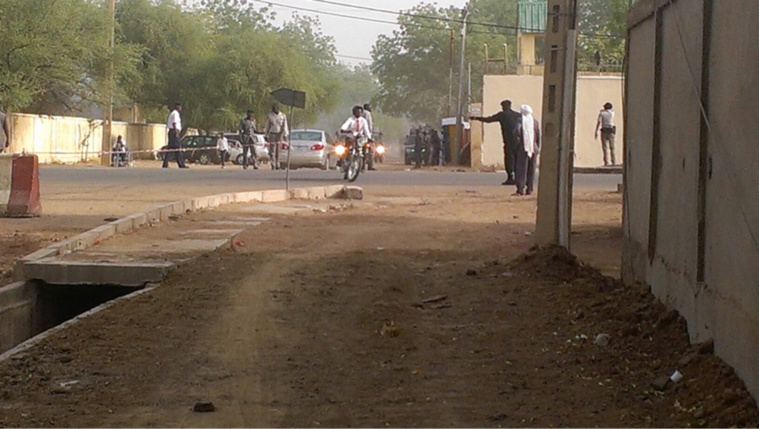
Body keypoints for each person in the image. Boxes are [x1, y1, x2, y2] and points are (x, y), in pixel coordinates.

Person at [471, 99, 521, 185]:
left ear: (503, 106)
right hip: (518, 141)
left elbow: (488, 119)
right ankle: (518, 177)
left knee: (509, 159)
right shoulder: (517, 115)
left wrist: (476, 118)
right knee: (517, 159)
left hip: (508, 141)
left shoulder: (502, 115)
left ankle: (510, 177)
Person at [513, 105, 541, 196]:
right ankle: (530, 189)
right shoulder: (535, 122)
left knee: (522, 168)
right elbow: (538, 136)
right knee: (531, 169)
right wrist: (537, 147)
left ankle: (520, 189)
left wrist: (517, 145)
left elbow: (516, 132)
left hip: (524, 147)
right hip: (534, 148)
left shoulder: (520, 120)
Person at [163, 103, 188, 168]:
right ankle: (181, 164)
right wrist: (176, 133)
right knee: (178, 148)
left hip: (172, 132)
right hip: (174, 132)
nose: (180, 109)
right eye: (180, 107)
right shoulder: (175, 114)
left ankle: (165, 164)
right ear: (178, 107)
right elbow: (174, 123)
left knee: (171, 149)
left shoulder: (173, 113)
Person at [265, 103, 288, 170]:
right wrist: (266, 135)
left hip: (279, 134)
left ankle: (278, 163)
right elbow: (267, 126)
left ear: (278, 109)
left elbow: (285, 125)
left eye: (275, 108)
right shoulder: (270, 116)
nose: (274, 110)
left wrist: (285, 134)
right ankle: (273, 164)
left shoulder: (283, 116)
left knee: (278, 150)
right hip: (272, 133)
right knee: (272, 150)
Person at [595, 102, 617, 166]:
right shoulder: (612, 113)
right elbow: (611, 111)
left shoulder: (602, 113)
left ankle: (606, 162)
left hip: (604, 130)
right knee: (612, 147)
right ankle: (614, 161)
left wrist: (596, 131)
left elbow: (599, 122)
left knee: (605, 147)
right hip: (611, 130)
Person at [362, 103, 377, 170]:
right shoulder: (367, 113)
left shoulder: (360, 113)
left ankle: (362, 165)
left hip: (359, 135)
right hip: (366, 135)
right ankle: (371, 165)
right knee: (371, 151)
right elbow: (369, 125)